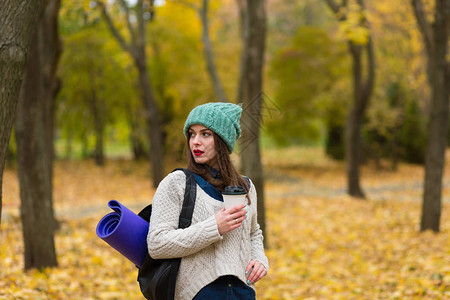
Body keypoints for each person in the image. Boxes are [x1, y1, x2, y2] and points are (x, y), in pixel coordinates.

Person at [147, 102, 269, 300]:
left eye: (205, 134)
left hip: (243, 292)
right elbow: (157, 244)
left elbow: (254, 233)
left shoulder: (246, 187)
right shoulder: (176, 183)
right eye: (192, 134)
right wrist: (214, 227)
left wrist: (260, 259)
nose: (196, 141)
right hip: (197, 293)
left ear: (223, 140)